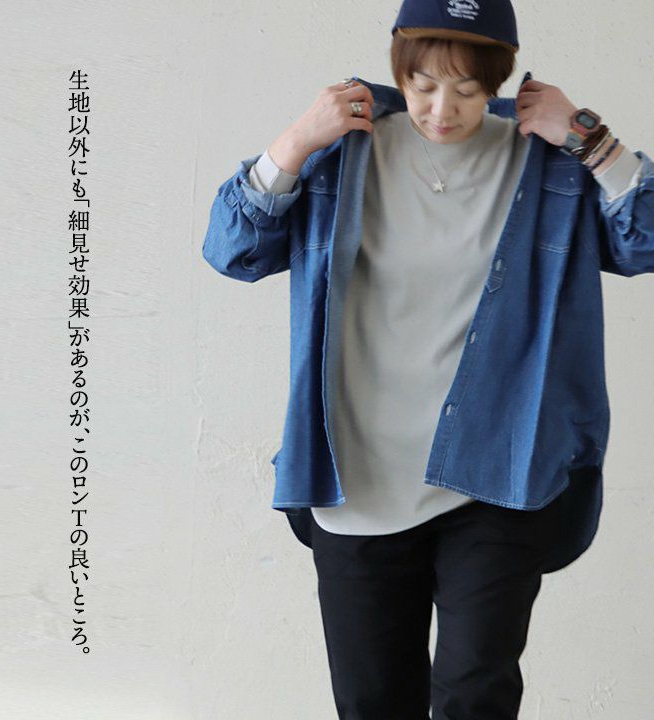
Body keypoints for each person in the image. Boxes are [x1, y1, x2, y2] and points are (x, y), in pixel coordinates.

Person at [202, 0, 654, 717]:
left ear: (498, 80)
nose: (442, 110)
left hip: (497, 475)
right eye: (422, 86)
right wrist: (293, 141)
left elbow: (646, 240)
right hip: (358, 481)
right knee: (373, 702)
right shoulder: (341, 153)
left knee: (476, 696)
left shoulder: (548, 165)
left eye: (467, 91)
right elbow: (232, 251)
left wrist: (587, 137)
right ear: (398, 71)